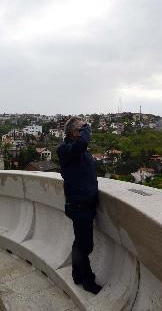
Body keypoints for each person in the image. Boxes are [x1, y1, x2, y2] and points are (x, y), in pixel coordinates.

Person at [57, 117, 102, 294]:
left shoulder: (77, 150)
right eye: (80, 129)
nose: (83, 131)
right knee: (85, 246)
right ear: (73, 132)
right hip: (79, 205)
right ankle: (88, 281)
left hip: (84, 203)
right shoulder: (66, 149)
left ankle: (77, 273)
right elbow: (82, 143)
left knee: (80, 243)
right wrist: (87, 128)